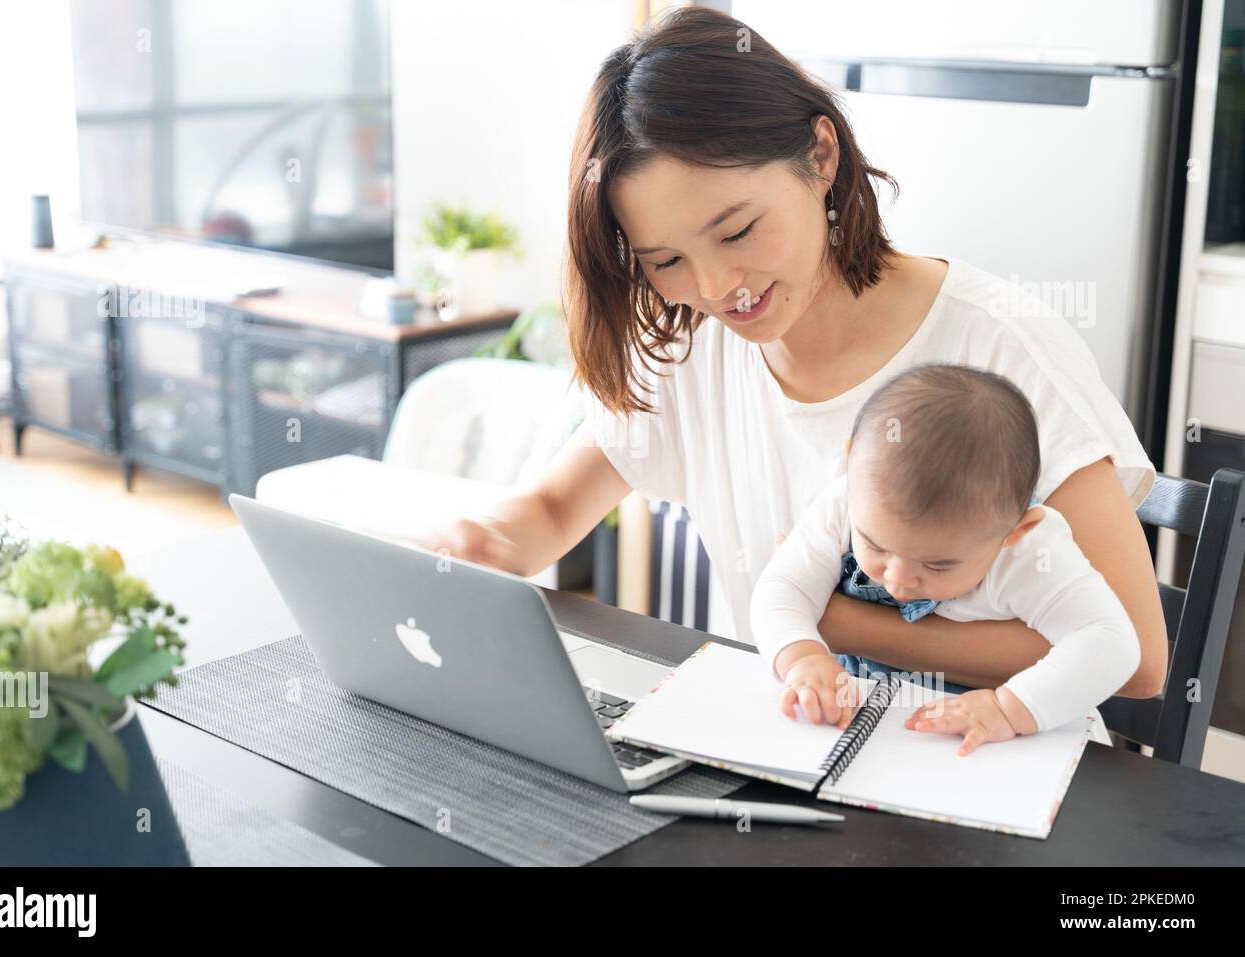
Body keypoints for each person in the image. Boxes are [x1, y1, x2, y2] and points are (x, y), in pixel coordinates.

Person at [421, 6, 1168, 720]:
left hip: (995, 771)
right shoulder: (694, 343)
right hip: (797, 751)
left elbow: (1136, 658)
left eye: (738, 230)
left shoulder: (1000, 344)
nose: (716, 289)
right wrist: (475, 545)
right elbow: (552, 511)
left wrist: (838, 625)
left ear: (820, 154)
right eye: (666, 260)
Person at [749, 364, 1141, 754]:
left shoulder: (1031, 552)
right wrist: (801, 658)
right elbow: (783, 586)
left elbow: (1112, 643)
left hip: (1008, 751)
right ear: (851, 465)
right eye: (875, 545)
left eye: (937, 565)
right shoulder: (847, 501)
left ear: (1016, 531)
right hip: (878, 737)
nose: (898, 580)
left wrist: (1008, 709)